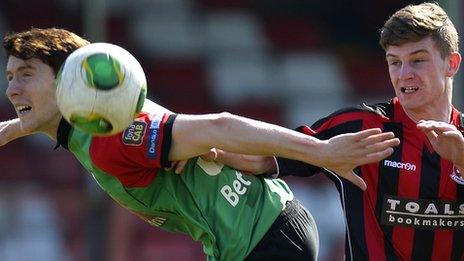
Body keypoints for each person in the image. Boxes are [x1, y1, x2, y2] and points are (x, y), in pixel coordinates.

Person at [0, 28, 399, 261]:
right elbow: (41, 119)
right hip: (263, 230)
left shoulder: (112, 137)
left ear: (68, 81)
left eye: (26, 74)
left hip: (262, 238)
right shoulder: (96, 117)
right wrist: (12, 130)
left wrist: (322, 153)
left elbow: (219, 126)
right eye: (10, 75)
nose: (11, 88)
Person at [209, 2, 464, 260]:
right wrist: (208, 149)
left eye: (418, 60)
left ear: (451, 64)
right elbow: (266, 156)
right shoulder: (362, 128)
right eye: (394, 62)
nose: (404, 74)